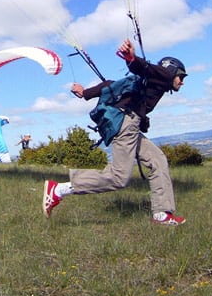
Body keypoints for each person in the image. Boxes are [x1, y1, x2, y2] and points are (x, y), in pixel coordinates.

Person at [43, 38, 187, 225]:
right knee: (118, 177)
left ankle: (162, 214)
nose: (182, 82)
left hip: (130, 125)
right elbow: (145, 68)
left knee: (158, 160)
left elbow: (110, 84)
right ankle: (59, 190)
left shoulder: (147, 83)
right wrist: (132, 59)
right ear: (171, 71)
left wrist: (86, 93)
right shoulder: (162, 76)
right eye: (181, 77)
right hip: (126, 126)